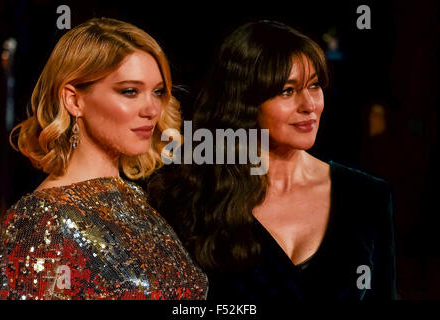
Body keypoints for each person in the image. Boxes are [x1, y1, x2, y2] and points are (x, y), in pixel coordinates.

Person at [148, 20, 397, 300]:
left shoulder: (367, 195)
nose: (309, 105)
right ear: (244, 101)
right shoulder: (190, 196)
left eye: (314, 86)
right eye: (287, 91)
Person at [0, 17, 208, 300]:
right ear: (74, 100)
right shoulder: (41, 219)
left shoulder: (136, 200)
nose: (152, 109)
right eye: (130, 91)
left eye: (157, 92)